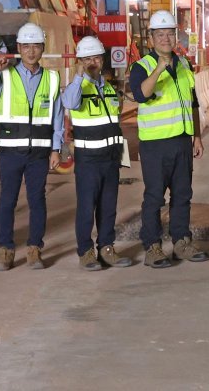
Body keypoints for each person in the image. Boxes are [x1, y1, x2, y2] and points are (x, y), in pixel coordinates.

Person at [130, 10, 209, 268]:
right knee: (155, 196)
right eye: (160, 34)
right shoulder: (141, 66)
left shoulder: (184, 65)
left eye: (170, 33)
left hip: (181, 141)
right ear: (151, 38)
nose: (166, 38)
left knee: (183, 194)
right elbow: (141, 95)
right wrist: (159, 69)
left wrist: (196, 135)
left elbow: (193, 103)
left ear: (176, 35)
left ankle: (181, 241)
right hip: (155, 143)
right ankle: (152, 246)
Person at [0, 22, 63, 271]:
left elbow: (57, 116)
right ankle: (5, 250)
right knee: (7, 201)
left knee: (37, 200)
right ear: (18, 48)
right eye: (26, 46)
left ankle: (34, 249)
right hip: (10, 152)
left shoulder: (51, 78)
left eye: (35, 46)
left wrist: (56, 148)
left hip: (39, 152)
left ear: (42, 48)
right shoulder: (5, 75)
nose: (30, 51)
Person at [61, 36, 132, 270]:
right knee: (86, 207)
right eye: (87, 58)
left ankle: (107, 247)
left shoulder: (109, 88)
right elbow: (69, 103)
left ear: (102, 59)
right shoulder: (77, 86)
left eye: (96, 57)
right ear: (80, 61)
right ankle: (85, 251)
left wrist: (121, 157)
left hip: (110, 158)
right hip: (88, 160)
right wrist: (80, 75)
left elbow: (114, 122)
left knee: (108, 206)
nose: (93, 62)